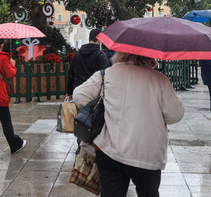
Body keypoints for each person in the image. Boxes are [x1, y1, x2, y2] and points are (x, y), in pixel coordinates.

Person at [73, 51, 184, 196]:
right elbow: (176, 115)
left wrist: (105, 108)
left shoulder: (107, 74)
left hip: (110, 150)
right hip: (146, 154)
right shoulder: (159, 79)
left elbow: (79, 96)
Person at [66, 28, 110, 99]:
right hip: (94, 93)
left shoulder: (77, 54)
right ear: (99, 39)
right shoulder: (100, 55)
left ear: (89, 38)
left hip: (78, 91)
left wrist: (69, 92)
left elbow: (71, 75)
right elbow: (106, 75)